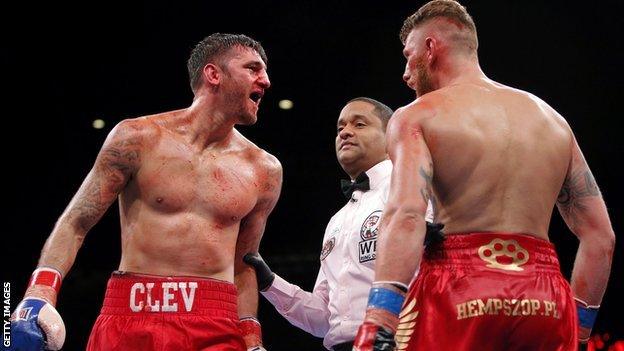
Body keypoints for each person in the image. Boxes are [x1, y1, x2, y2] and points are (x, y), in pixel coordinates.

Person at [353, 1, 616, 351]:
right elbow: (601, 237)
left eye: (408, 54)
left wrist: (380, 319)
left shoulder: (417, 115)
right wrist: (579, 331)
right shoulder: (553, 121)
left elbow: (406, 214)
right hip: (545, 297)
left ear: (431, 48)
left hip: (460, 284)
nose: (405, 72)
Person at [10, 33, 281, 351]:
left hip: (216, 321)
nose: (265, 80)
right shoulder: (137, 138)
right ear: (213, 74)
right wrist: (41, 291)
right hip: (131, 313)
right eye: (253, 68)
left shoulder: (264, 170)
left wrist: (252, 341)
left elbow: (244, 265)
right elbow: (76, 222)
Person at [243, 98, 441, 351]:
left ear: (391, 137)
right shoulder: (337, 221)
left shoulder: (413, 187)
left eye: (360, 124)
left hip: (404, 340)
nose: (345, 132)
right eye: (340, 128)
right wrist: (270, 283)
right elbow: (325, 320)